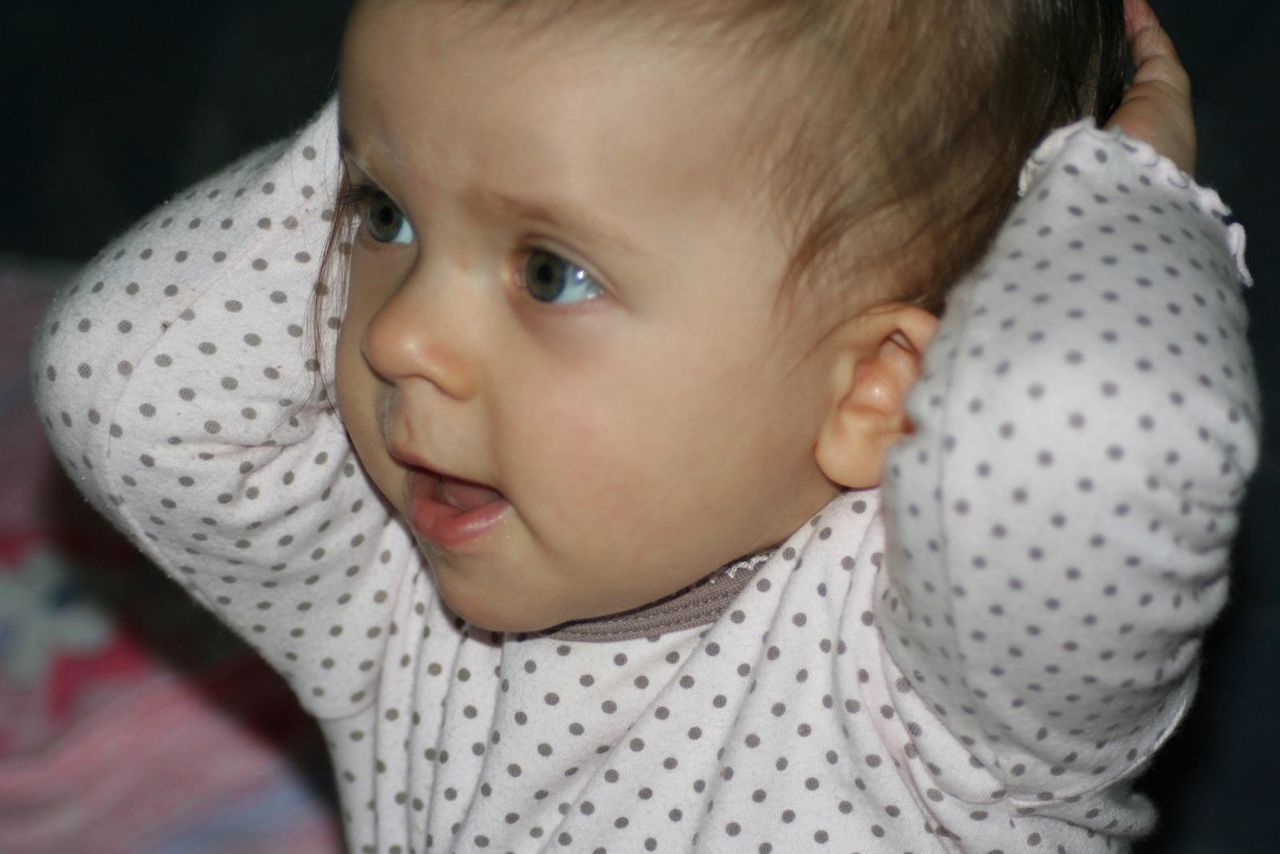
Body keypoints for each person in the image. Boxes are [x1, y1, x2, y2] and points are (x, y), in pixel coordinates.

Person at [32, 0, 1256, 850]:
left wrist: (1128, 192)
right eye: (384, 218)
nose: (397, 338)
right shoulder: (401, 592)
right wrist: (416, 111)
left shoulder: (939, 714)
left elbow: (1089, 429)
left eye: (550, 271)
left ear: (873, 388)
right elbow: (122, 387)